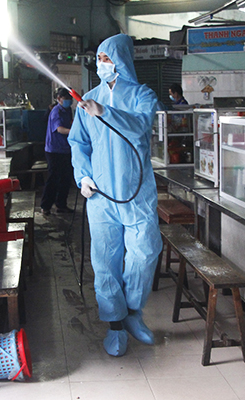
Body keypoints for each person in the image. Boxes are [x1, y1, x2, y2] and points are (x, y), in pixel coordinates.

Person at [68, 34, 163, 357]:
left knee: (145, 252)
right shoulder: (87, 101)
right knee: (105, 260)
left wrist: (105, 113)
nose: (101, 65)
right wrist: (82, 176)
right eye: (99, 59)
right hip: (100, 196)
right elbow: (78, 143)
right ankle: (116, 326)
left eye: (107, 59)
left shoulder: (142, 96)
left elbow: (141, 126)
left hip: (136, 192)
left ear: (121, 60)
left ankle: (134, 313)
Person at [40, 88, 74, 216]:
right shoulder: (56, 111)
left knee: (65, 178)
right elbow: (59, 129)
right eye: (66, 99)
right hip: (54, 150)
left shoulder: (67, 110)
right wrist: (73, 131)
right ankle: (45, 206)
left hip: (65, 148)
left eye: (70, 99)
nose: (69, 101)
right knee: (53, 178)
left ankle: (61, 205)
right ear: (59, 99)